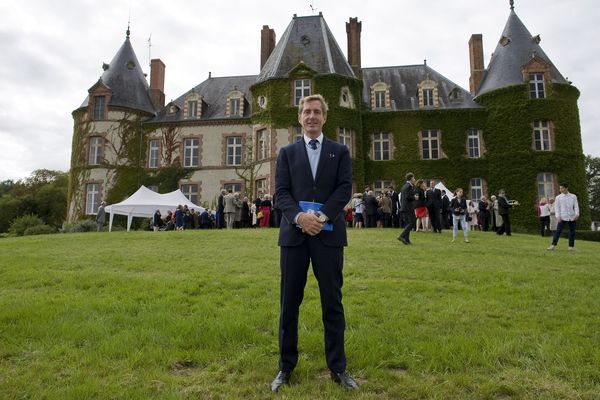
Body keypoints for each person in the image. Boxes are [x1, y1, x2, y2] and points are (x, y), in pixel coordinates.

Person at [271, 94, 357, 392]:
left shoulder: (339, 151)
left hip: (329, 235)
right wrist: (299, 218)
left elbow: (344, 188)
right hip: (294, 237)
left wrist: (319, 216)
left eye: (317, 112)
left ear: (325, 117)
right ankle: (285, 367)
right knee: (289, 303)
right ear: (299, 117)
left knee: (332, 303)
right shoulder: (286, 153)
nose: (311, 117)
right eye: (306, 112)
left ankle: (338, 367)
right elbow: (280, 193)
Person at [547, 183, 579, 251]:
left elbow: (576, 206)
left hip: (572, 216)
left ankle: (571, 247)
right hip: (562, 217)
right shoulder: (558, 197)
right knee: (558, 231)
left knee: (572, 232)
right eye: (560, 188)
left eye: (562, 188)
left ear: (566, 188)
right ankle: (553, 245)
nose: (560, 189)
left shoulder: (573, 196)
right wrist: (558, 216)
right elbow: (557, 208)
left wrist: (577, 214)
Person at [397, 172, 416, 245]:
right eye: (414, 178)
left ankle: (406, 240)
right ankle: (401, 236)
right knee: (412, 222)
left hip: (404, 207)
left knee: (408, 223)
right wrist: (414, 197)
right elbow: (408, 197)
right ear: (411, 178)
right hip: (408, 208)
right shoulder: (409, 186)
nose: (414, 179)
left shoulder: (404, 186)